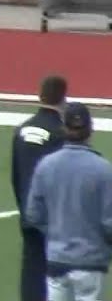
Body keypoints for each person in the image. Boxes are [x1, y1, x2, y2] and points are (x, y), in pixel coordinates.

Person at [25, 102, 112, 301]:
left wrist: (56, 233)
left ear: (64, 128)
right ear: (90, 129)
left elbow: (33, 214)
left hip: (57, 259)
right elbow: (109, 222)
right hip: (91, 261)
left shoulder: (46, 165)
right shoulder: (104, 169)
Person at [13, 75, 69, 301]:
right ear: (63, 98)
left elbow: (15, 174)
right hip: (54, 216)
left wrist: (24, 204)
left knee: (31, 269)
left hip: (28, 209)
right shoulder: (60, 133)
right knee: (58, 272)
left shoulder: (22, 130)